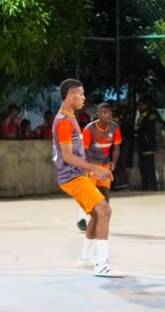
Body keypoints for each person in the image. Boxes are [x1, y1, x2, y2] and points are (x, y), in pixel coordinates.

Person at [53, 79, 122, 277]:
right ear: (69, 96)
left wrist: (90, 170)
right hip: (72, 177)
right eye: (81, 94)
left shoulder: (69, 116)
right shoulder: (64, 121)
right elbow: (67, 156)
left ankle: (85, 258)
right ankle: (102, 265)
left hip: (78, 174)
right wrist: (95, 168)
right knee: (105, 210)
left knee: (97, 214)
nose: (84, 98)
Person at [77, 103, 123, 238]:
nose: (108, 115)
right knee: (88, 193)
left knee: (104, 195)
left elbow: (116, 147)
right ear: (98, 114)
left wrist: (113, 162)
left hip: (104, 166)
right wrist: (90, 167)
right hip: (91, 165)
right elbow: (83, 150)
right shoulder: (89, 129)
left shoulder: (115, 127)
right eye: (104, 112)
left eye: (109, 113)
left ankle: (100, 222)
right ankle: (82, 219)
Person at [135, 95, 165, 191]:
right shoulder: (141, 115)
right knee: (142, 165)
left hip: (148, 143)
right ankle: (145, 184)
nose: (139, 107)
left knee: (149, 165)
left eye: (141, 105)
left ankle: (152, 185)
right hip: (142, 143)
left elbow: (149, 128)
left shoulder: (152, 114)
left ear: (146, 105)